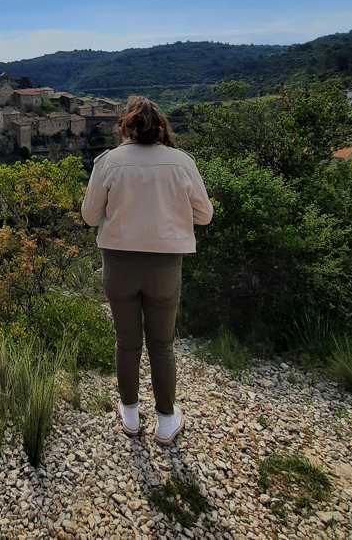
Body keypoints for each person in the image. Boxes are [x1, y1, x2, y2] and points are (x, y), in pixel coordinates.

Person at [81, 95, 213, 443]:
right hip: (164, 268)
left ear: (124, 126)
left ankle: (130, 416)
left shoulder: (108, 163)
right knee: (162, 344)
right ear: (161, 126)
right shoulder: (182, 163)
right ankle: (166, 420)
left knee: (126, 342)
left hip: (119, 265)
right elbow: (205, 215)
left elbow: (90, 217)